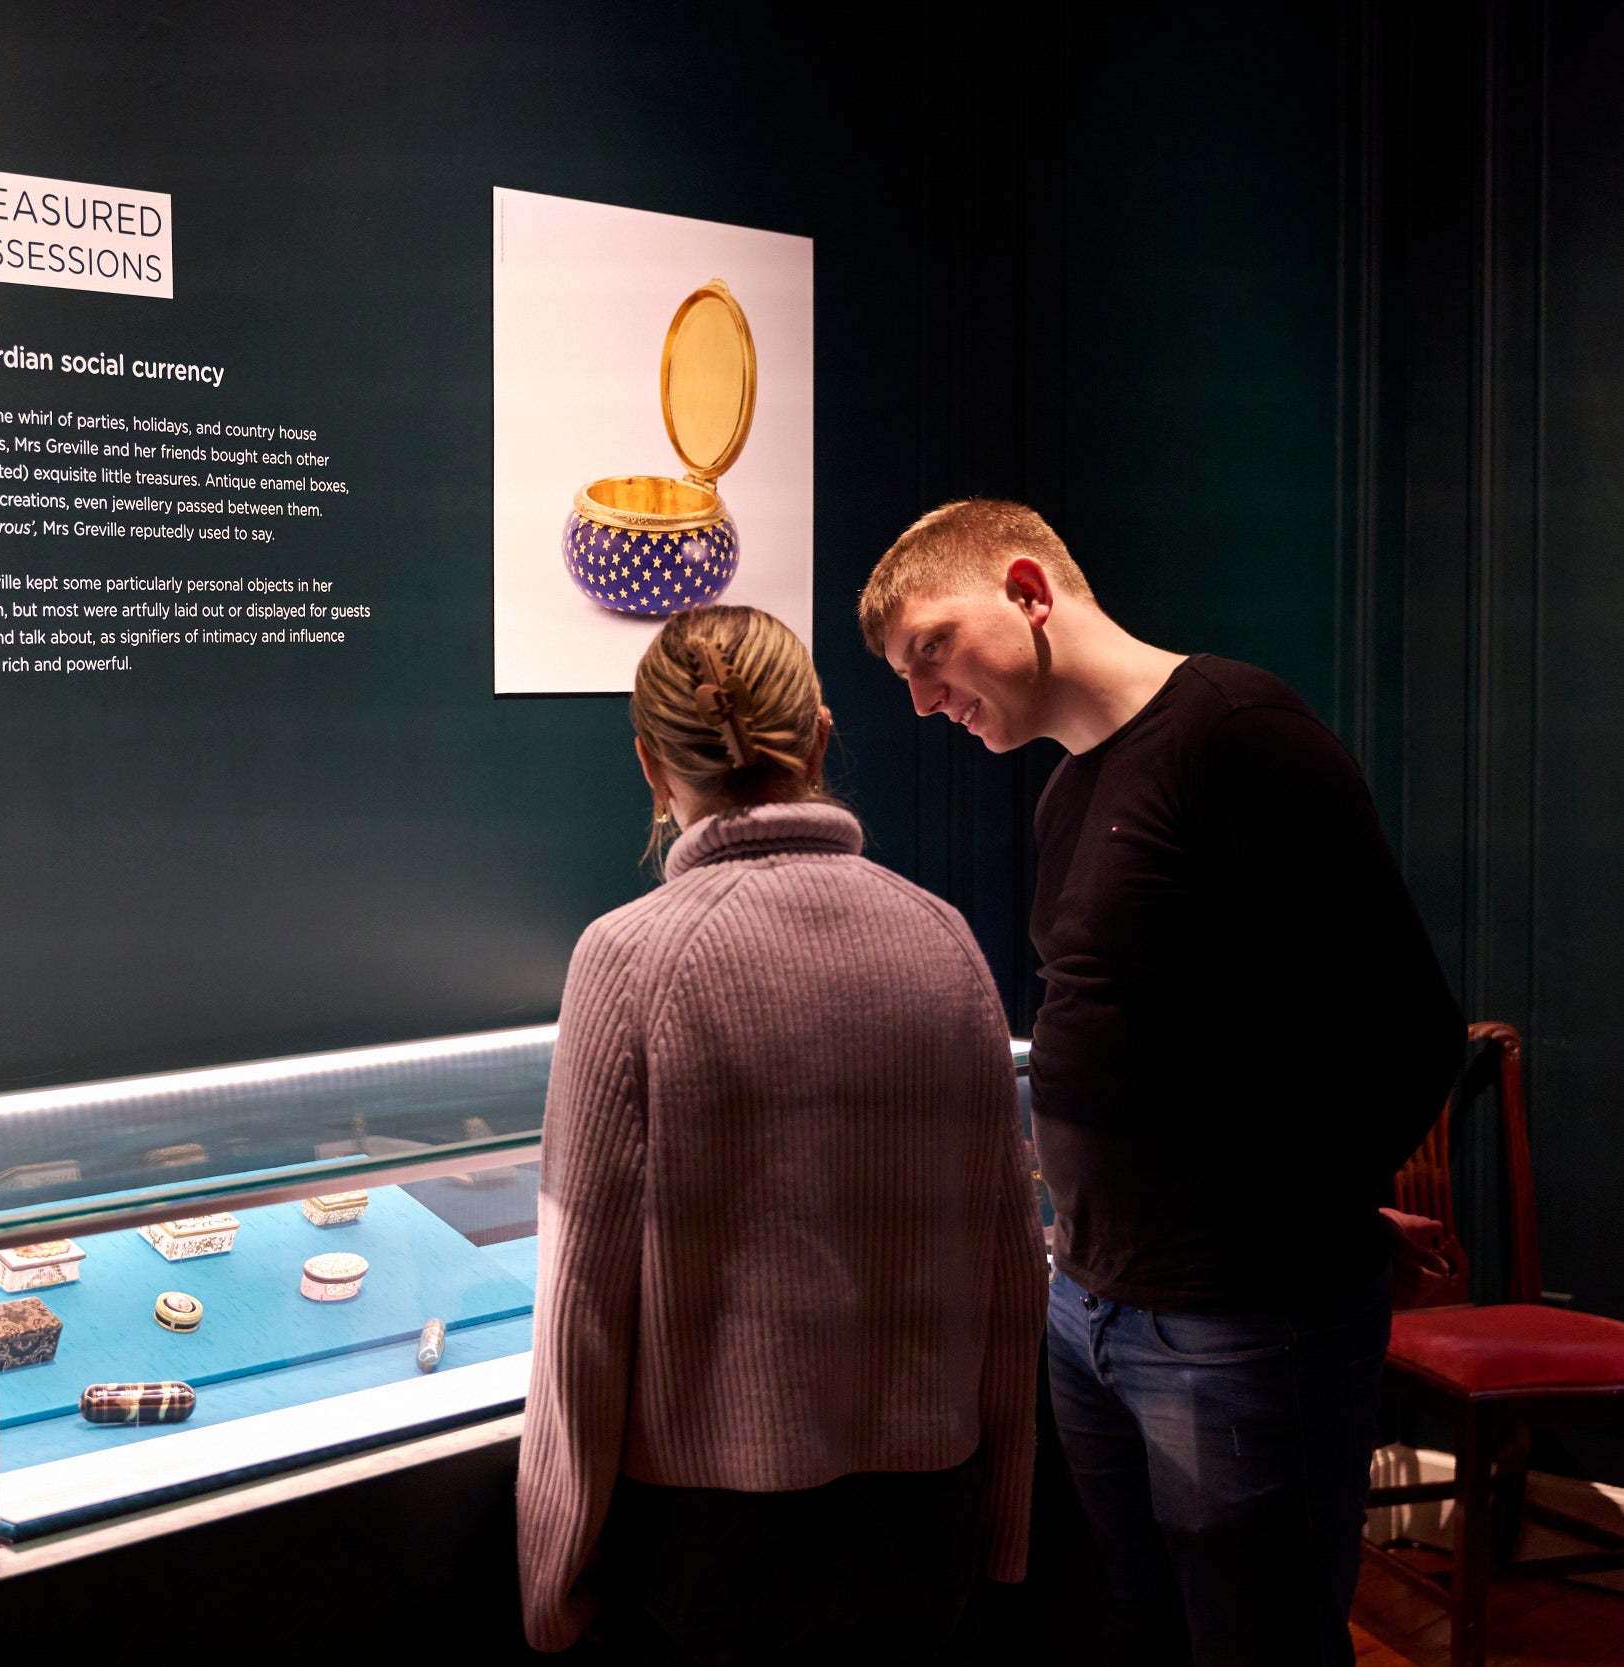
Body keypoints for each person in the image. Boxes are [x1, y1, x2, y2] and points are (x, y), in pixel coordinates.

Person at [858, 499, 1464, 1666]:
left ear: (1027, 589)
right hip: (1092, 1307)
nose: (924, 700)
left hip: (1237, 1321)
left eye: (930, 648)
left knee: (1257, 1639)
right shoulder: (1068, 786)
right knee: (1138, 1627)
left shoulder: (1237, 732)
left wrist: (1313, 1213)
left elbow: (1404, 1025)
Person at [517, 604, 1047, 1661]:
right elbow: (1007, 1262)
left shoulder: (628, 957)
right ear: (815, 734)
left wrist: (553, 1570)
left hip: (713, 1545)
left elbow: (582, 1295)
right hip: (926, 1520)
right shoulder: (943, 937)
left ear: (650, 766)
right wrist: (1003, 1522)